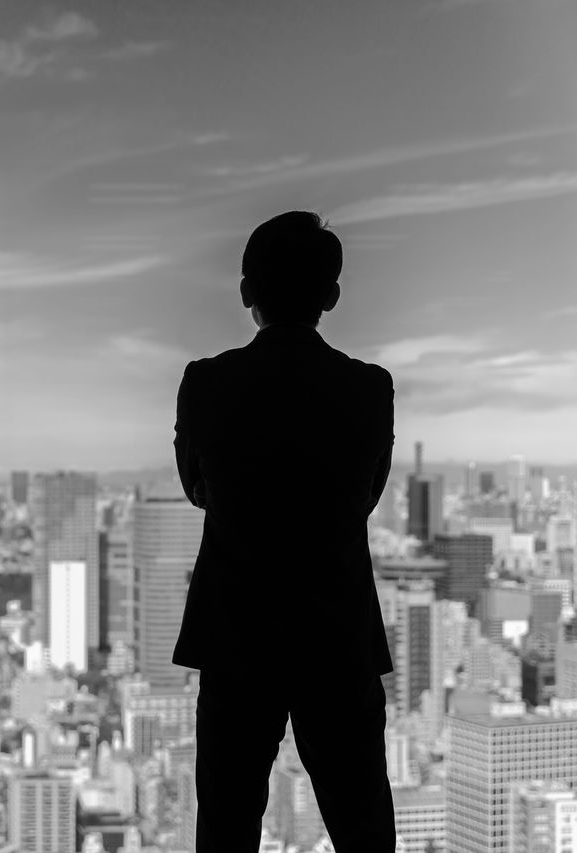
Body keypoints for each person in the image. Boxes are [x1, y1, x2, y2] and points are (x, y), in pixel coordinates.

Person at [171, 210, 397, 852]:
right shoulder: (368, 387)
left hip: (237, 630)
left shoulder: (207, 382)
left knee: (226, 823)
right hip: (336, 630)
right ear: (332, 295)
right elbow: (364, 498)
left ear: (247, 291)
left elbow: (197, 490)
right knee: (363, 824)